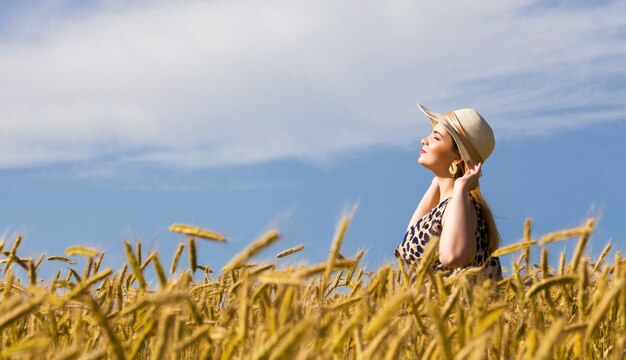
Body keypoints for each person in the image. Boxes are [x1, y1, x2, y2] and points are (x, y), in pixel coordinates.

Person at [395, 104, 502, 281]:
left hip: (451, 308)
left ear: (458, 157)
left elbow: (453, 256)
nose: (424, 140)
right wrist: (437, 181)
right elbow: (409, 243)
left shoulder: (464, 204)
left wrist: (460, 187)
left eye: (435, 138)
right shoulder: (448, 204)